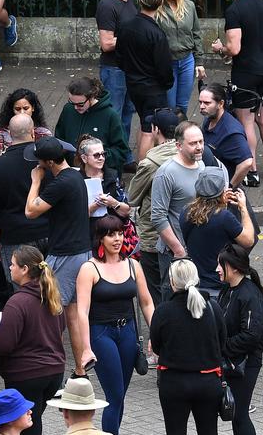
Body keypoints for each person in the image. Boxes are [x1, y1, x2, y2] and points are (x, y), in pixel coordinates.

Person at [74, 215, 155, 435]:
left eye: (120, 233)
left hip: (128, 332)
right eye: (111, 234)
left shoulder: (133, 265)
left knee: (120, 396)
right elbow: (81, 311)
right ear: (100, 238)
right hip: (102, 334)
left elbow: (147, 302)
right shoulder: (89, 268)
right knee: (114, 395)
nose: (117, 239)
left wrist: (158, 335)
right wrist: (85, 348)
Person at [148, 259, 227, 435]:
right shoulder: (212, 308)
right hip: (208, 381)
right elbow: (222, 342)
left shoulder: (164, 311)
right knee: (209, 434)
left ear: (172, 282)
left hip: (175, 382)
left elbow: (157, 346)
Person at [24, 136, 93, 374]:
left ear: (50, 162)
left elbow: (30, 211)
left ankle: (50, 368)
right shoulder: (75, 176)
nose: (37, 166)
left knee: (51, 313)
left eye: (40, 162)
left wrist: (35, 181)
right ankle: (81, 369)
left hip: (65, 255)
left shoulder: (61, 183)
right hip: (82, 252)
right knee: (72, 313)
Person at [0, 245, 67, 435]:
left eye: (13, 264)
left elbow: (4, 345)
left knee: (27, 431)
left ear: (24, 269)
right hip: (53, 373)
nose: (10, 267)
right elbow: (60, 329)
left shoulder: (18, 302)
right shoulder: (52, 296)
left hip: (26, 375)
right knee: (34, 421)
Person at [212, 0, 263, 186]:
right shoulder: (260, 3)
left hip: (246, 71)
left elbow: (234, 48)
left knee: (246, 120)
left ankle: (251, 171)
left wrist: (219, 48)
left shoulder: (234, 11)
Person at [215, 244, 263, 435]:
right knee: (235, 410)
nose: (217, 270)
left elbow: (252, 335)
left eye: (221, 265)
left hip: (246, 362)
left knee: (241, 412)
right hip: (233, 359)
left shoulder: (250, 295)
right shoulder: (228, 290)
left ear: (234, 268)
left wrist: (222, 347)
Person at [151, 122, 221, 300]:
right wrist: (179, 251)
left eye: (201, 142)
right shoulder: (166, 173)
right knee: (175, 304)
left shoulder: (202, 166)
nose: (199, 147)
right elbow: (158, 217)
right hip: (175, 254)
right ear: (178, 145)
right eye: (193, 143)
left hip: (199, 250)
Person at [0, 114, 51, 284]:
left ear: (10, 135)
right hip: (49, 232)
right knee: (52, 288)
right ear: (33, 132)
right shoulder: (47, 162)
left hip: (15, 237)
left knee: (23, 291)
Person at [115, 0, 174, 162]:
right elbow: (164, 68)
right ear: (160, 2)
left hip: (133, 85)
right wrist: (166, 83)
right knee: (150, 130)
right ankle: (143, 172)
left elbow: (120, 57)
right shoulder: (156, 34)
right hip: (153, 89)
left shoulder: (125, 26)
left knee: (143, 124)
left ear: (140, 0)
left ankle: (142, 166)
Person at [127, 110, 181, 304]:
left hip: (153, 236)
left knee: (157, 292)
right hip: (181, 234)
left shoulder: (150, 163)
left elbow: (132, 197)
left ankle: (162, 330)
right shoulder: (189, 156)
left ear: (156, 130)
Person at [180, 169, 254, 296]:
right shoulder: (224, 217)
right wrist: (243, 208)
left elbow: (207, 223)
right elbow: (248, 240)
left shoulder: (185, 212)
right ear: (222, 191)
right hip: (219, 286)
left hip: (196, 285)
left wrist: (220, 203)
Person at [96, 0, 141, 141]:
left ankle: (124, 155)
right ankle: (110, 155)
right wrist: (134, 36)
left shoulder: (129, 0)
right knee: (114, 114)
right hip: (114, 69)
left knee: (128, 112)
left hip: (129, 67)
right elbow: (106, 43)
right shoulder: (107, 5)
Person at [154, 0, 205, 115]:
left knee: (182, 104)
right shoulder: (156, 10)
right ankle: (169, 134)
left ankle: (182, 136)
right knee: (169, 104)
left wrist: (199, 62)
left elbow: (196, 34)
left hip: (187, 60)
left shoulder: (189, 6)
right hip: (167, 62)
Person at [53, 76, 130, 172]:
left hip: (100, 173)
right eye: (72, 103)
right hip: (71, 171)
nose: (76, 107)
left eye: (80, 104)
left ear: (92, 97)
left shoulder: (110, 116)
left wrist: (97, 157)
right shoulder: (68, 109)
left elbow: (121, 151)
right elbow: (59, 137)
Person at [198, 83, 254, 187]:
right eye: (200, 102)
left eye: (206, 103)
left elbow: (247, 162)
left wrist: (230, 187)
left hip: (222, 189)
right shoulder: (209, 118)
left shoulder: (231, 132)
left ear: (220, 104)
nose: (202, 107)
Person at [76, 136, 133, 232]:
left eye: (103, 154)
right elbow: (74, 217)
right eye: (96, 155)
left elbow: (127, 210)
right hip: (87, 234)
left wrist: (113, 203)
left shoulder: (112, 176)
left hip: (112, 233)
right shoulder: (77, 179)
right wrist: (95, 206)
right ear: (84, 158)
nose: (101, 158)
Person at [0, 88, 52, 162]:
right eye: (17, 109)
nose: (22, 112)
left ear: (33, 108)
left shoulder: (44, 134)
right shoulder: (1, 135)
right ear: (12, 110)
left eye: (26, 108)